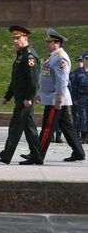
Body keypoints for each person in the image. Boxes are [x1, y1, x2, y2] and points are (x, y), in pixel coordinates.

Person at [0, 26, 43, 165]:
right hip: (21, 98)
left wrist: (29, 98)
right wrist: (7, 96)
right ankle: (37, 156)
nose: (15, 41)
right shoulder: (21, 55)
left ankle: (6, 155)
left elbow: (33, 80)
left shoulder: (29, 56)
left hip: (24, 99)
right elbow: (16, 80)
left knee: (15, 126)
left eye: (18, 38)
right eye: (14, 38)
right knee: (29, 129)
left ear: (26, 38)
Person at [37, 29, 85, 162]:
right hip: (52, 97)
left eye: (50, 42)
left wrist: (58, 99)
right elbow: (47, 78)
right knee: (67, 127)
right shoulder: (53, 56)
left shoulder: (60, 58)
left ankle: (38, 154)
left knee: (47, 128)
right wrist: (40, 93)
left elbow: (62, 80)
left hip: (55, 99)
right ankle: (78, 152)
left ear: (57, 43)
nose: (47, 44)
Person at [72, 54, 88, 143]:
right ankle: (84, 136)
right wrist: (74, 98)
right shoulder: (78, 72)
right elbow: (74, 86)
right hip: (82, 97)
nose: (87, 60)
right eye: (86, 59)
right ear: (84, 60)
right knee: (83, 116)